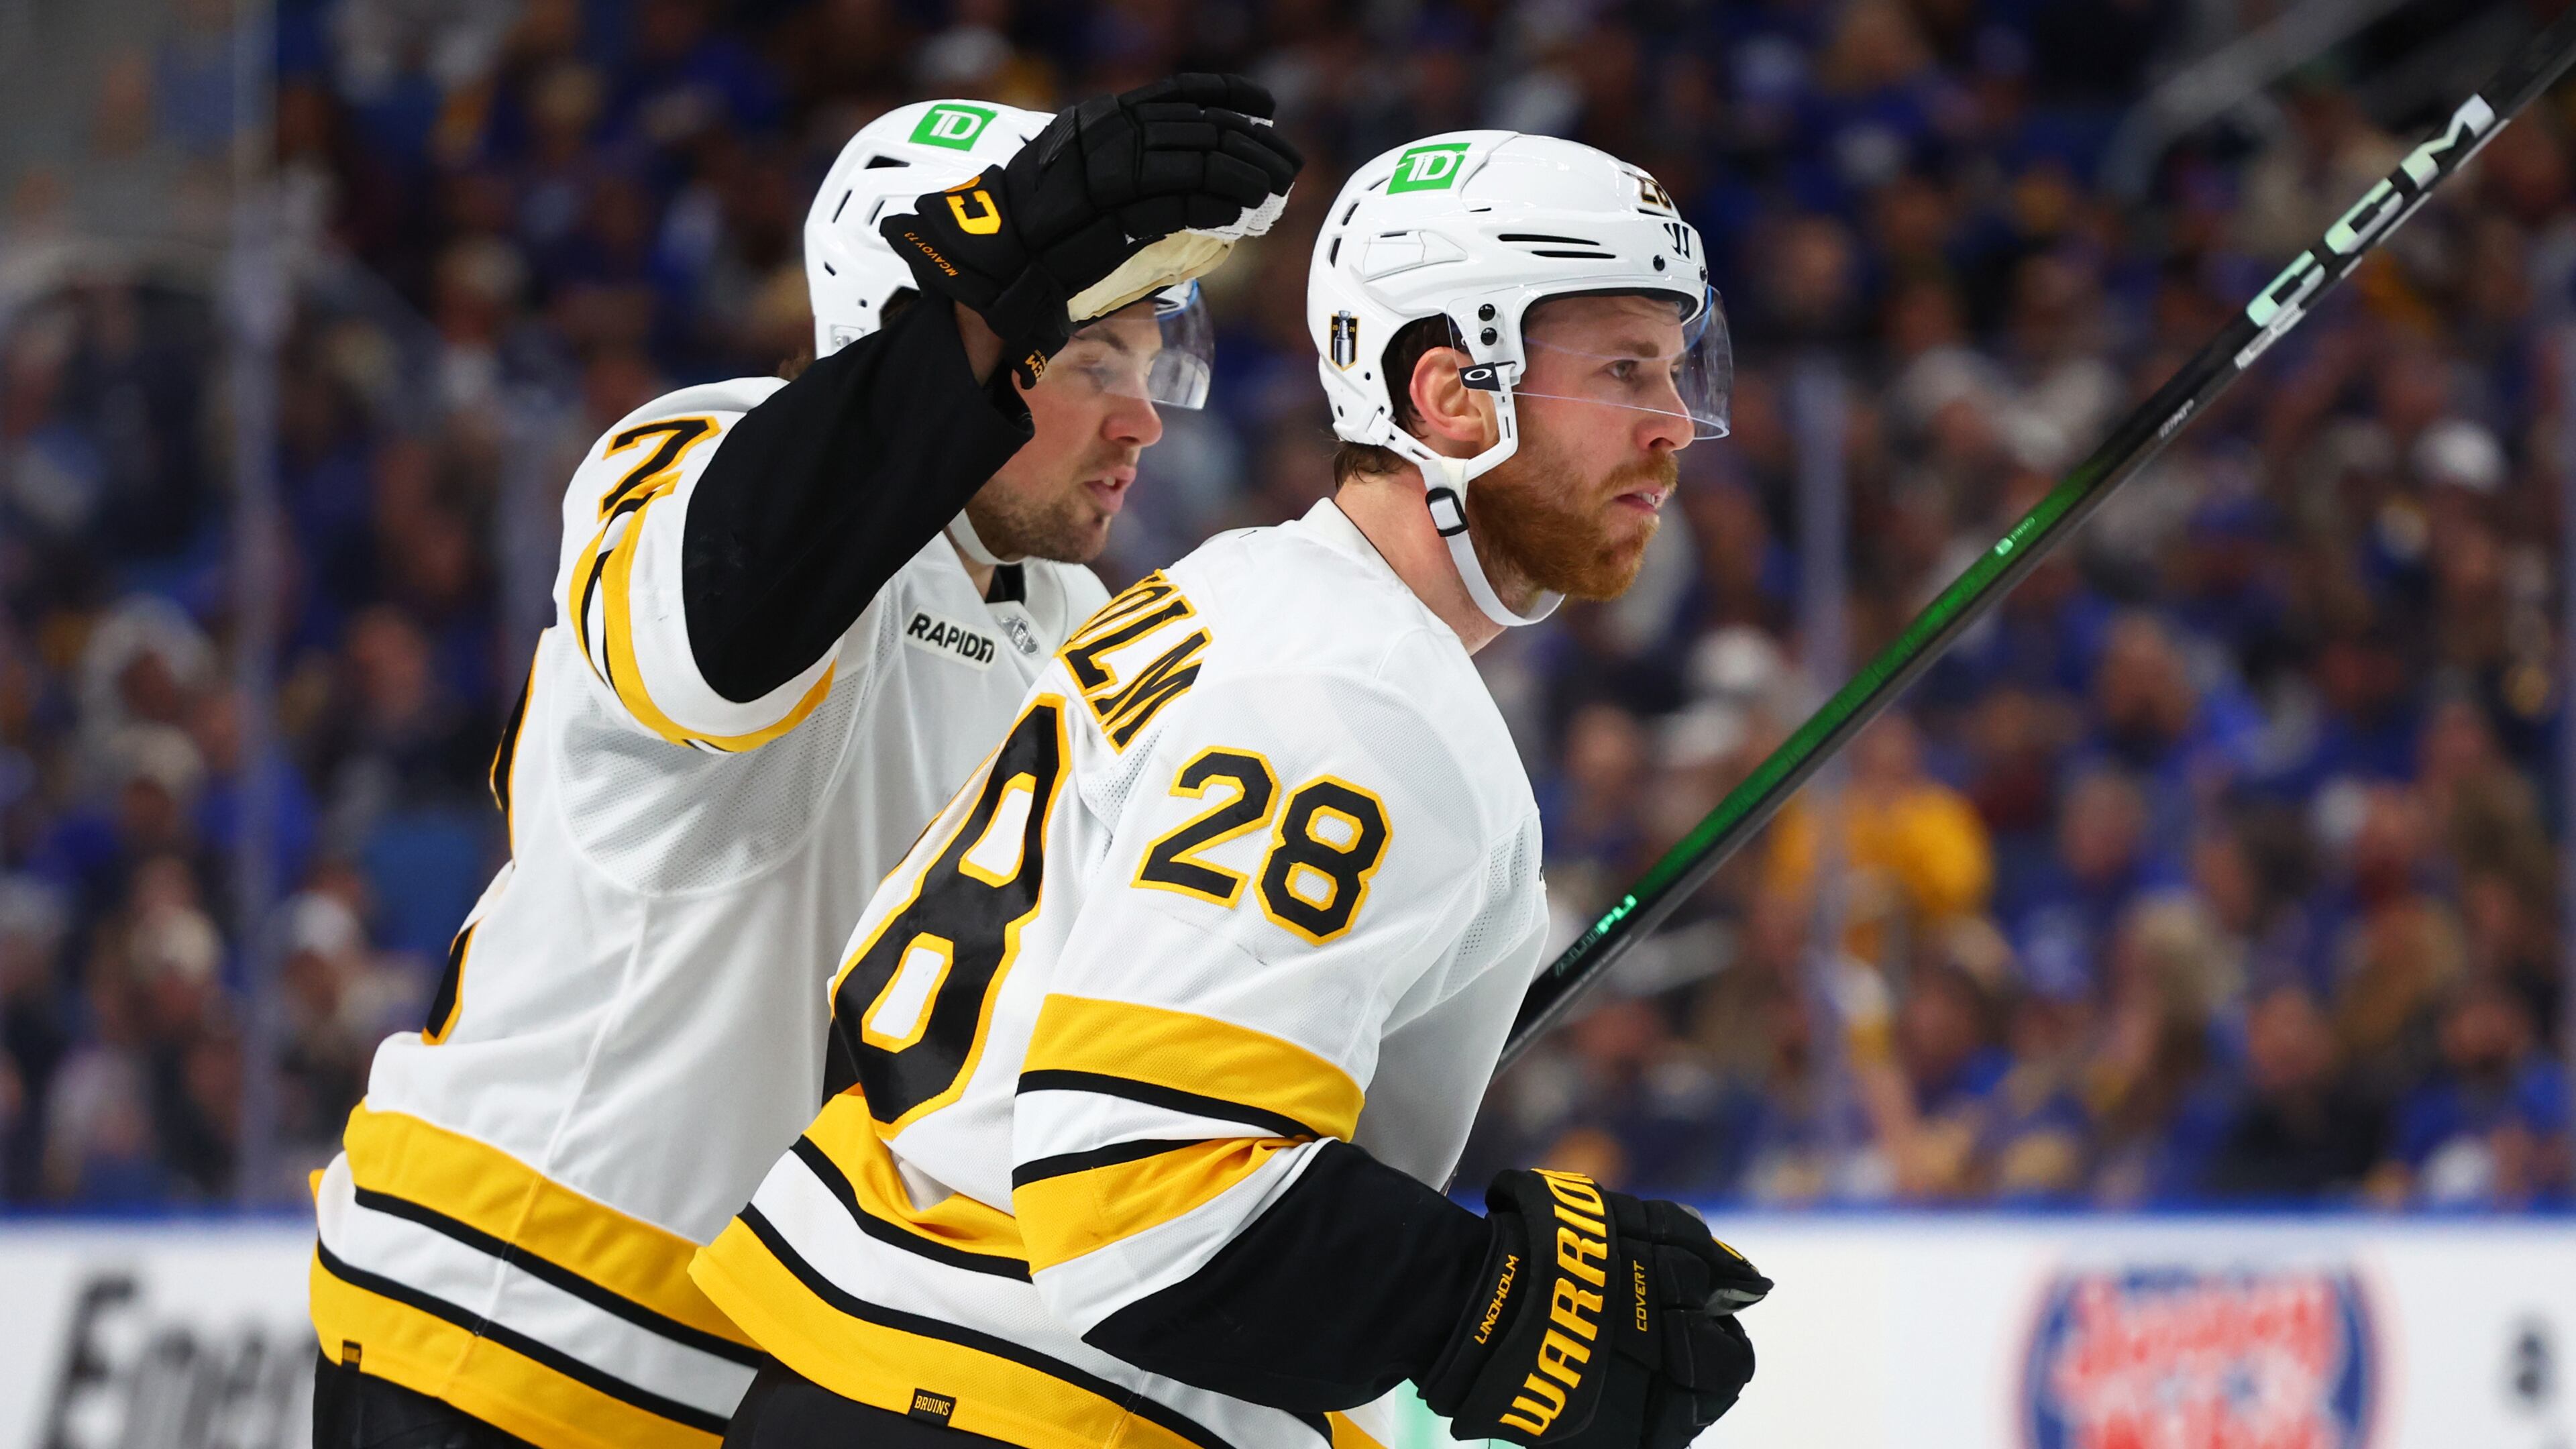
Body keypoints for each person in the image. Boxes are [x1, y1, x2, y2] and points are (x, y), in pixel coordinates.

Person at [692, 131, 1767, 1449]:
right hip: (1017, 1404)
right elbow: (1143, 1193)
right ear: (1450, 393)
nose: (1675, 423)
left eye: (1677, 368)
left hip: (889, 1366)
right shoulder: (1353, 695)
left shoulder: (1233, 593)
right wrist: (1496, 1306)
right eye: (1624, 370)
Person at [308, 80, 1301, 1449]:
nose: (1143, 420)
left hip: (783, 1371)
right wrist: (986, 287)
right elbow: (728, 612)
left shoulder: (1074, 621)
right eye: (1091, 361)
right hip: (512, 1321)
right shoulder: (694, 450)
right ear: (931, 316)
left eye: (1150, 365)